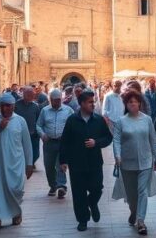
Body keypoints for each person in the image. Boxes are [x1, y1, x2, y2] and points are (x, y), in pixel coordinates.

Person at [60, 90, 113, 231]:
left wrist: (96, 142)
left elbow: (108, 138)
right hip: (76, 163)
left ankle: (92, 203)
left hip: (95, 162)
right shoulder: (72, 120)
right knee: (78, 193)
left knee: (97, 188)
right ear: (82, 103)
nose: (93, 104)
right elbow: (65, 141)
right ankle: (82, 220)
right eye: (90, 102)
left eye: (93, 102)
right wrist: (63, 161)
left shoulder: (99, 120)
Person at [0, 93, 34, 231]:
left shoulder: (20, 121)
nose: (6, 109)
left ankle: (16, 212)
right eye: (3, 106)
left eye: (8, 106)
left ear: (13, 106)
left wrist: (29, 164)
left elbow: (27, 144)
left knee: (14, 189)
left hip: (15, 163)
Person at [113, 89, 156, 236]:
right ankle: (133, 211)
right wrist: (117, 156)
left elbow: (153, 139)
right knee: (131, 194)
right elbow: (116, 140)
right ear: (126, 105)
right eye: (129, 102)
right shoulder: (121, 121)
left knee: (142, 191)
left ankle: (141, 220)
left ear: (140, 103)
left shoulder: (146, 119)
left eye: (135, 101)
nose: (132, 104)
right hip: (127, 163)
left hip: (146, 162)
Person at [36, 88, 74, 198]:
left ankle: (61, 186)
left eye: (58, 100)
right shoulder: (45, 111)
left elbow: (74, 124)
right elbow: (38, 125)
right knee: (48, 166)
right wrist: (42, 134)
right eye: (54, 100)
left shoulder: (68, 110)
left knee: (60, 164)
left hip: (63, 143)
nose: (57, 102)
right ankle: (53, 185)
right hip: (49, 143)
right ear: (50, 100)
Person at [14, 86, 42, 169]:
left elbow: (38, 120)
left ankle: (31, 162)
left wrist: (37, 131)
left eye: (32, 95)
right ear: (24, 94)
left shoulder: (35, 106)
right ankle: (25, 164)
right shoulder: (17, 105)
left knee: (35, 152)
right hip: (20, 133)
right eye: (28, 95)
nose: (30, 97)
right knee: (22, 151)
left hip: (32, 133)